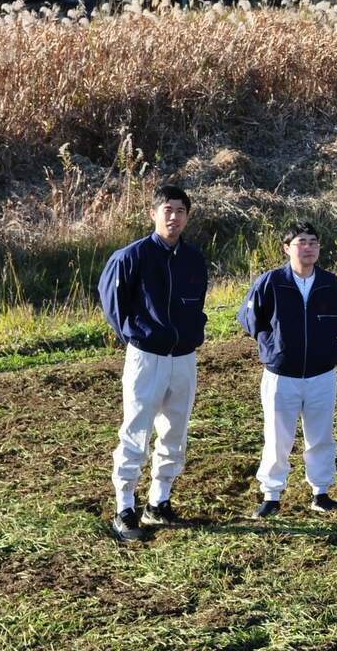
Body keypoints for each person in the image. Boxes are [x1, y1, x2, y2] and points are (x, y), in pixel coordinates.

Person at [98, 185, 208, 542]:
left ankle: (158, 501)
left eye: (180, 210)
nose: (173, 217)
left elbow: (196, 303)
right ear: (153, 214)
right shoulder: (132, 256)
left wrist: (191, 333)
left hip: (184, 358)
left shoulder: (194, 259)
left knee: (175, 430)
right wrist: (139, 336)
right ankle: (125, 507)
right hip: (147, 357)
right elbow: (113, 304)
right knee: (136, 431)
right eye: (167, 209)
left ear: (187, 216)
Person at [237, 221, 337, 519]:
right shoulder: (271, 282)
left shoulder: (330, 283)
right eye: (301, 242)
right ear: (287, 248)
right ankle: (271, 495)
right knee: (277, 437)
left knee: (321, 435)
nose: (308, 247)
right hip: (281, 375)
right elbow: (249, 318)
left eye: (313, 242)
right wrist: (273, 345)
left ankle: (321, 492)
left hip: (321, 374)